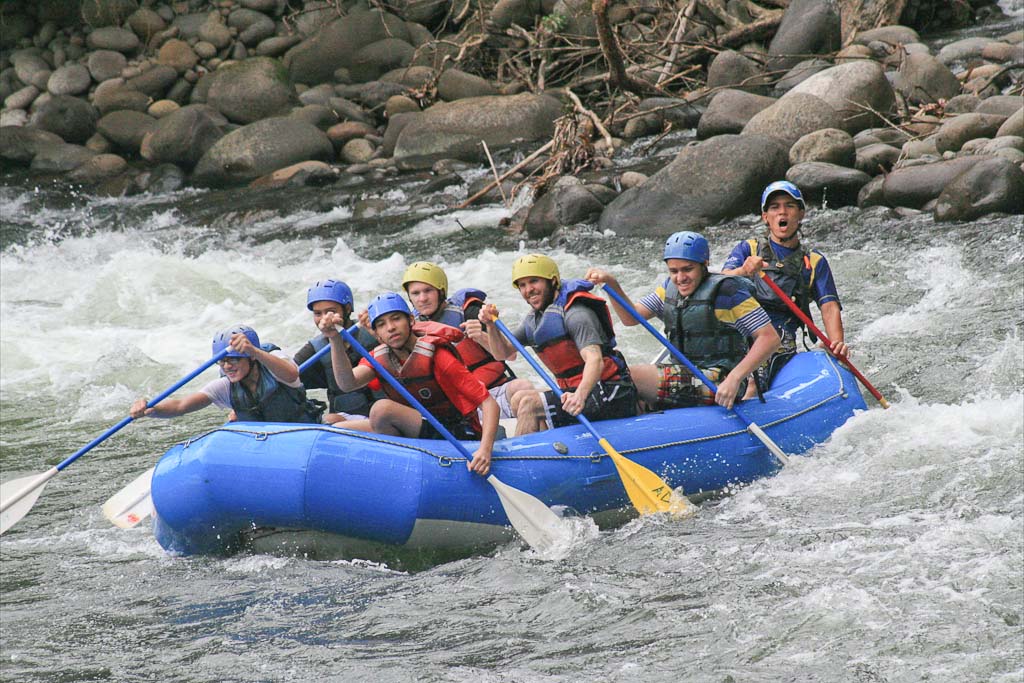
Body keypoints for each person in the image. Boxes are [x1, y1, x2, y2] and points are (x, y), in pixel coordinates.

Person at [586, 231, 780, 410]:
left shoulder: (728, 292)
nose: (680, 278)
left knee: (632, 376)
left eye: (688, 269)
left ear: (704, 264)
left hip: (720, 381)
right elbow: (630, 318)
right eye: (674, 271)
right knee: (622, 380)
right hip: (684, 373)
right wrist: (612, 284)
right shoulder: (668, 289)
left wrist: (735, 378)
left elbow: (770, 338)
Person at [319, 292, 498, 476]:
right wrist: (335, 339)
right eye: (381, 324)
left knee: (381, 410)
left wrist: (485, 450)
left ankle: (400, 469)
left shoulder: (438, 356)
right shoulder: (380, 358)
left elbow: (489, 403)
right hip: (417, 425)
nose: (390, 328)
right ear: (377, 335)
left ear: (411, 320)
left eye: (396, 319)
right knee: (339, 431)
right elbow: (347, 383)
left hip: (454, 431)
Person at [479, 254, 638, 435]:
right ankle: (547, 450)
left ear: (552, 281)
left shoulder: (575, 313)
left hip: (609, 390)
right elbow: (503, 353)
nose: (528, 290)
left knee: (529, 404)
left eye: (534, 281)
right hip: (574, 391)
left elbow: (595, 360)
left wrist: (579, 396)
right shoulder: (534, 320)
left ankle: (525, 460)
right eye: (522, 285)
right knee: (518, 399)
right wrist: (491, 326)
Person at [721, 180, 848, 389]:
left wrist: (836, 344)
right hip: (741, 327)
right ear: (765, 217)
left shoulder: (814, 262)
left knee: (753, 381)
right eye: (775, 207)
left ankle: (750, 393)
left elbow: (829, 307)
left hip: (779, 335)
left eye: (789, 206)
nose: (782, 213)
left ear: (801, 214)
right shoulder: (748, 249)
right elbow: (722, 283)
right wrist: (743, 271)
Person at [400, 261, 535, 422]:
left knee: (523, 387)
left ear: (440, 291)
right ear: (409, 297)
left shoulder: (470, 311)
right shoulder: (409, 327)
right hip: (458, 406)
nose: (422, 298)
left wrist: (481, 336)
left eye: (428, 291)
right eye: (415, 293)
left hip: (493, 390)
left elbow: (510, 355)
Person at [130, 325, 324, 423]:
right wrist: (150, 409)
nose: (227, 366)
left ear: (251, 357)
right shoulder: (226, 386)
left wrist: (254, 350)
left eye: (233, 359)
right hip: (266, 449)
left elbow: (292, 373)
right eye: (222, 361)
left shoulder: (275, 366)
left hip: (302, 435)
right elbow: (181, 405)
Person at [293, 279, 381, 425]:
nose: (324, 319)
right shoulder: (316, 348)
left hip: (383, 416)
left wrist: (379, 334)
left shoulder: (371, 330)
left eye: (330, 311)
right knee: (329, 419)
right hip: (344, 419)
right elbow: (289, 377)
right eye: (318, 313)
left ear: (347, 309)